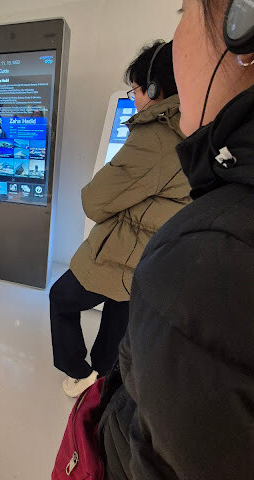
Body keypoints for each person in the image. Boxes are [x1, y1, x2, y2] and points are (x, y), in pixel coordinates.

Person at [98, 1, 254, 478]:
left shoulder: (203, 261)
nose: (177, 37)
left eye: (184, 11)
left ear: (241, 25)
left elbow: (93, 198)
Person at [50, 41, 192, 398]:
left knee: (61, 297)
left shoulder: (156, 136)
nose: (135, 98)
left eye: (137, 89)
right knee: (118, 315)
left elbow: (94, 201)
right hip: (151, 252)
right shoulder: (192, 128)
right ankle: (102, 377)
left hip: (122, 251)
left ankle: (79, 371)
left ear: (155, 90)